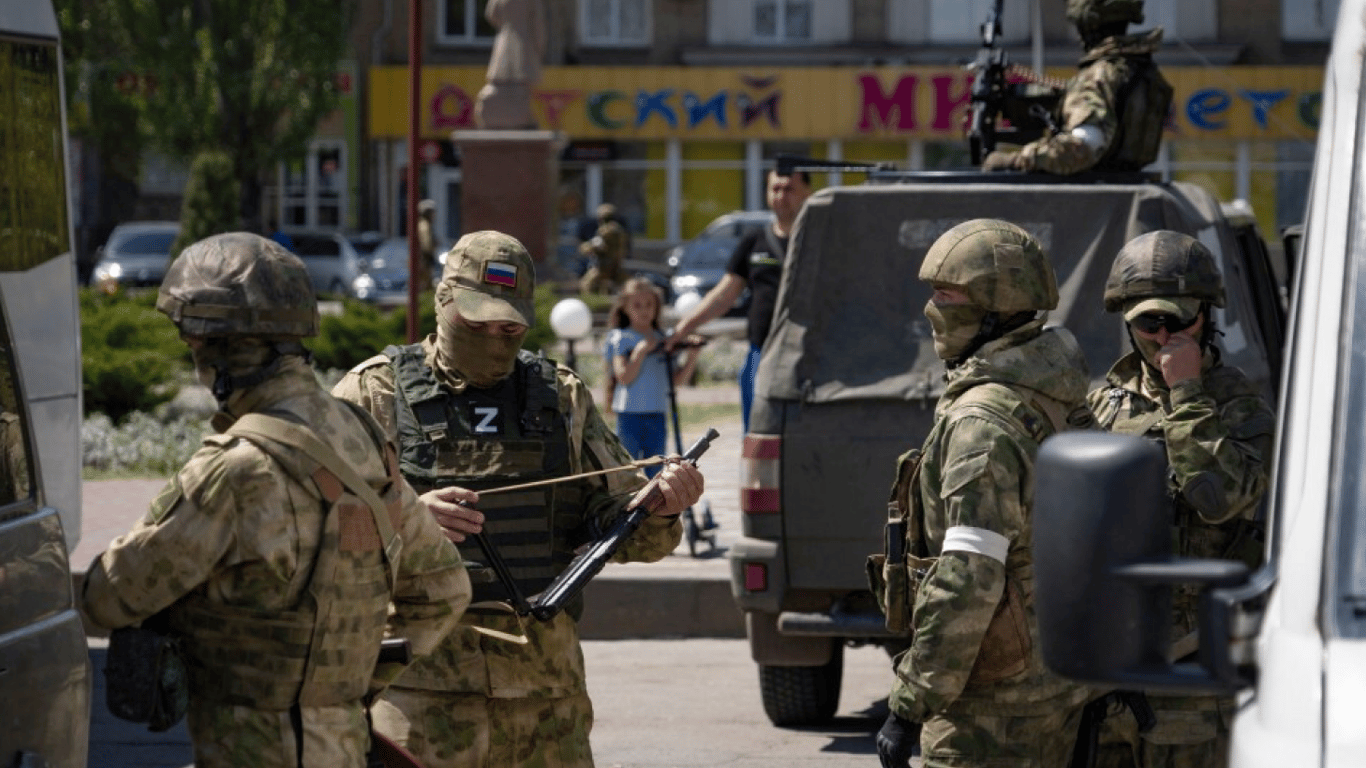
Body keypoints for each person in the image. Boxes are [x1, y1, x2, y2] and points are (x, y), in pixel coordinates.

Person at [79, 232, 472, 768]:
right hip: (345, 743)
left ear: (215, 350)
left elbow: (112, 597)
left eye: (195, 346)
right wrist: (342, 685)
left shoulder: (237, 468)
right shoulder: (359, 438)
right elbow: (445, 589)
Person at [331, 229, 705, 768]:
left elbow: (625, 531)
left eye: (509, 326)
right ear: (442, 302)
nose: (494, 337)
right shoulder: (373, 393)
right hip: (417, 702)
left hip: (545, 705)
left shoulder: (561, 396)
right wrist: (403, 518)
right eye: (476, 323)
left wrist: (662, 507)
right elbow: (305, 531)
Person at [874, 219, 1093, 768]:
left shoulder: (983, 425)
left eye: (946, 295)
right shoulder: (1055, 392)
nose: (931, 309)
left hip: (994, 707)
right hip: (1056, 681)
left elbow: (969, 577)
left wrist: (910, 702)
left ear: (994, 309)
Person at [1085, 230, 1275, 768]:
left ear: (1206, 317)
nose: (1164, 333)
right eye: (1149, 322)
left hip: (1188, 669)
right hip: (1107, 663)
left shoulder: (1240, 407)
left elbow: (1219, 498)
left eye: (1179, 319)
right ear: (1126, 320)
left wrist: (1187, 393)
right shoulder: (1102, 404)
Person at [667, 167, 812, 431]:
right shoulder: (754, 240)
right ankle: (756, 475)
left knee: (804, 434)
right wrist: (683, 329)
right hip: (762, 351)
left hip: (807, 355)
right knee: (757, 434)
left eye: (789, 189)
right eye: (775, 189)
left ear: (806, 193)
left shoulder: (817, 241)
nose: (781, 196)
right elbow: (724, 295)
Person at [982, 0, 1169, 175]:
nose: (1079, 37)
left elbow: (1082, 147)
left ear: (1090, 26)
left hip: (1093, 197)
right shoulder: (1140, 69)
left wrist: (1017, 160)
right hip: (1125, 187)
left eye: (1080, 27)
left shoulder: (1099, 75)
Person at [604, 277, 702, 478]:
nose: (644, 310)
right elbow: (623, 377)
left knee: (656, 469)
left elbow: (676, 381)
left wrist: (692, 355)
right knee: (628, 468)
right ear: (625, 308)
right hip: (629, 414)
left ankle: (653, 508)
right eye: (637, 305)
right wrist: (639, 354)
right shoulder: (621, 338)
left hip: (656, 412)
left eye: (649, 305)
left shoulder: (663, 339)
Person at [578, 202, 631, 295]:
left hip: (605, 268)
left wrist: (590, 247)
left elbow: (593, 247)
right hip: (611, 267)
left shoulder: (608, 231)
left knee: (586, 286)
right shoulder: (620, 231)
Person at [416, 198, 438, 291]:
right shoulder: (425, 226)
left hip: (423, 260)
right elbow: (427, 246)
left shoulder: (421, 224)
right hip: (424, 260)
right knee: (425, 286)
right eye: (432, 213)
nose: (434, 216)